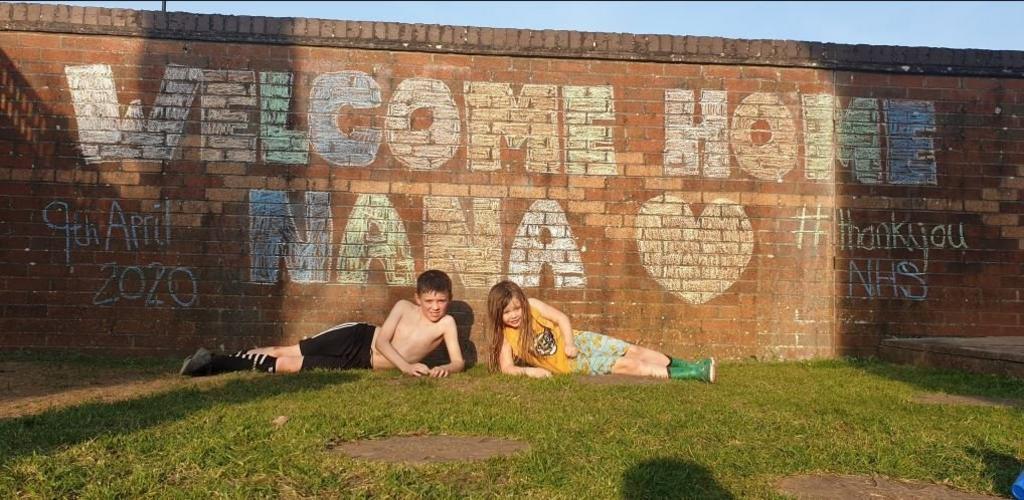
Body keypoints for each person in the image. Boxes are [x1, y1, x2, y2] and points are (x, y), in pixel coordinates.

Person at [180, 270, 465, 378]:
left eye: (440, 301)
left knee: (290, 366)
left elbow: (458, 361)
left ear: (448, 299)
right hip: (358, 338)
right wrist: (406, 366)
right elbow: (381, 341)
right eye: (429, 301)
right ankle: (213, 360)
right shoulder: (403, 307)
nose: (435, 308)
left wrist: (444, 368)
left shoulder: (446, 323)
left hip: (361, 363)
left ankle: (213, 366)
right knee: (286, 351)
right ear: (418, 298)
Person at [486, 280, 715, 382]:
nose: (514, 315)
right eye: (507, 312)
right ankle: (694, 375)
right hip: (570, 366)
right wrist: (531, 372)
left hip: (581, 342)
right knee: (624, 365)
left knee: (630, 350)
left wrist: (569, 343)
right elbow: (506, 368)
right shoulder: (507, 337)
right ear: (498, 314)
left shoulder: (533, 305)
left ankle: (691, 365)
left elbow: (561, 318)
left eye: (517, 308)